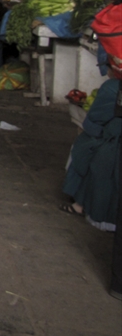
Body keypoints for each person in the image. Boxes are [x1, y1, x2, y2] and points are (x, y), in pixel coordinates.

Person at [60, 77, 120, 232]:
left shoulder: (113, 87)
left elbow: (94, 121)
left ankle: (80, 204)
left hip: (111, 146)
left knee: (88, 150)